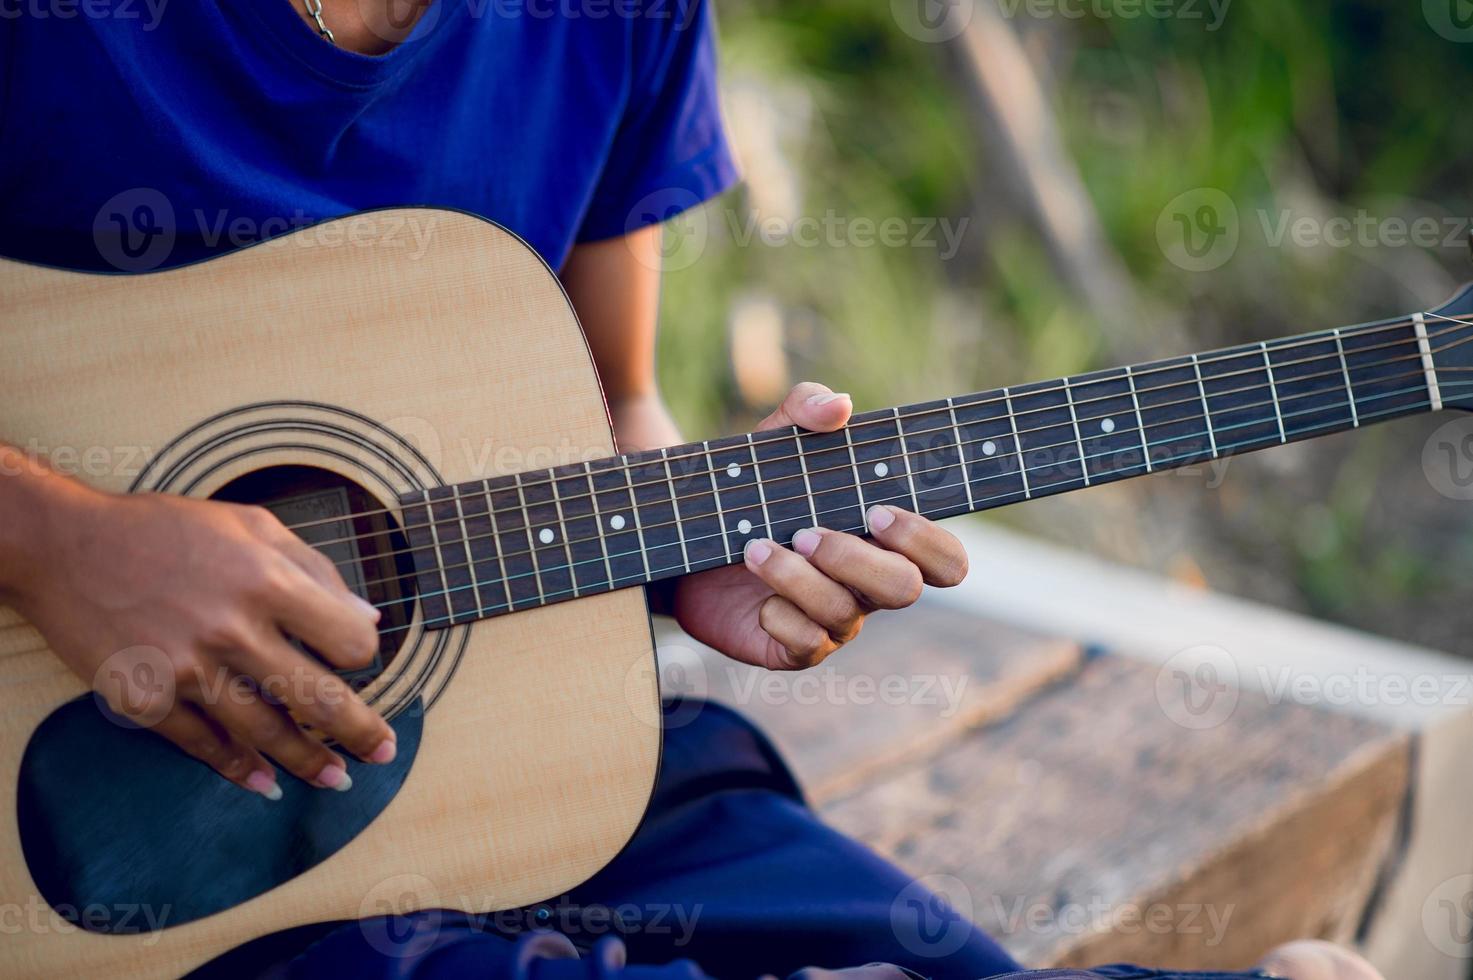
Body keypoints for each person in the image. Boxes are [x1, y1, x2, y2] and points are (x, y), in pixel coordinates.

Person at [0, 3, 1385, 978]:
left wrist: (685, 549)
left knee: (882, 939)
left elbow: (610, 406)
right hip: (123, 873)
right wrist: (59, 534)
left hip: (487, 781)